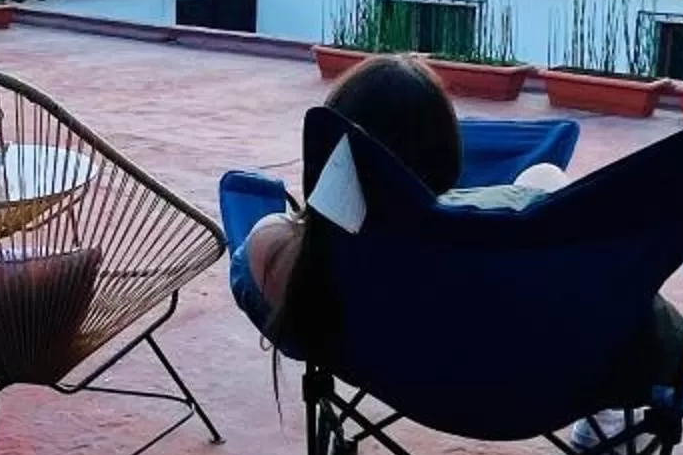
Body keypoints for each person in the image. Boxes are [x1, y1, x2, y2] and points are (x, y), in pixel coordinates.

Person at [242, 55, 683, 405]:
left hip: (396, 371)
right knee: (546, 178)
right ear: (449, 152)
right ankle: (602, 426)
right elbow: (666, 344)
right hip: (544, 379)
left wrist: (315, 216)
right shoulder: (505, 221)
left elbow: (282, 293)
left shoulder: (299, 250)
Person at [242, 54, 568, 322]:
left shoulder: (290, 252)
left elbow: (278, 239)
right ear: (447, 154)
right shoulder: (472, 238)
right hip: (482, 333)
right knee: (545, 175)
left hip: (382, 351)